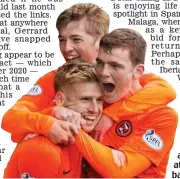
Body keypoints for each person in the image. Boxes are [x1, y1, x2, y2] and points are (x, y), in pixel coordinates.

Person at [1, 3, 176, 146]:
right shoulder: (55, 79)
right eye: (62, 40)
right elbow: (11, 118)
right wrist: (48, 122)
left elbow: (166, 90)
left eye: (76, 39)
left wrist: (111, 114)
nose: (66, 48)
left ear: (101, 41)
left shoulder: (125, 75)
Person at [72, 28, 178, 178]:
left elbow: (120, 170)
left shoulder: (162, 116)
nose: (103, 72)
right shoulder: (96, 98)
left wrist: (73, 129)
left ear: (138, 72)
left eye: (115, 66)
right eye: (100, 63)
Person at [3, 62, 104, 178]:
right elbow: (9, 119)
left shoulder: (81, 137)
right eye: (85, 99)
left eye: (100, 100)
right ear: (60, 100)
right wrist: (50, 120)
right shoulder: (42, 150)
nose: (95, 109)